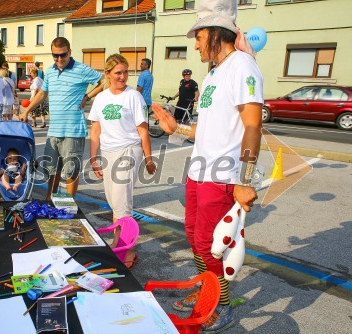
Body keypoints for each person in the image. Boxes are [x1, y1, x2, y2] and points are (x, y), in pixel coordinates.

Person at [152, 1, 263, 332]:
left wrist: (245, 180)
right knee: (195, 237)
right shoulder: (214, 73)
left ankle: (222, 304)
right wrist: (177, 129)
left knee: (210, 244)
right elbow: (208, 128)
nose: (195, 43)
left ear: (215, 33)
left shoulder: (242, 66)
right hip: (199, 171)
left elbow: (253, 126)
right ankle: (205, 287)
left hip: (223, 175)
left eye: (198, 36)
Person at [89, 54, 156, 268]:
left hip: (129, 149)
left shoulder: (133, 97)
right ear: (107, 74)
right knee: (114, 200)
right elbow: (96, 130)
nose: (123, 77)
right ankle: (120, 242)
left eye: (126, 72)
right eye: (118, 72)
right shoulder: (100, 98)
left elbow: (143, 131)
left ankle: (126, 251)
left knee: (121, 201)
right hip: (108, 152)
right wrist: (93, 157)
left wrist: (148, 158)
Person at [20, 37, 104, 200]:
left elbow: (104, 81)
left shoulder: (81, 69)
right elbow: (43, 93)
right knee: (52, 170)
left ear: (69, 52)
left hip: (73, 131)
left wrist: (88, 96)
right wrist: (26, 111)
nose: (59, 59)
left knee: (70, 172)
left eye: (63, 55)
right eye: (55, 55)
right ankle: (50, 199)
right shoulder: (50, 71)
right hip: (54, 130)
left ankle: (69, 206)